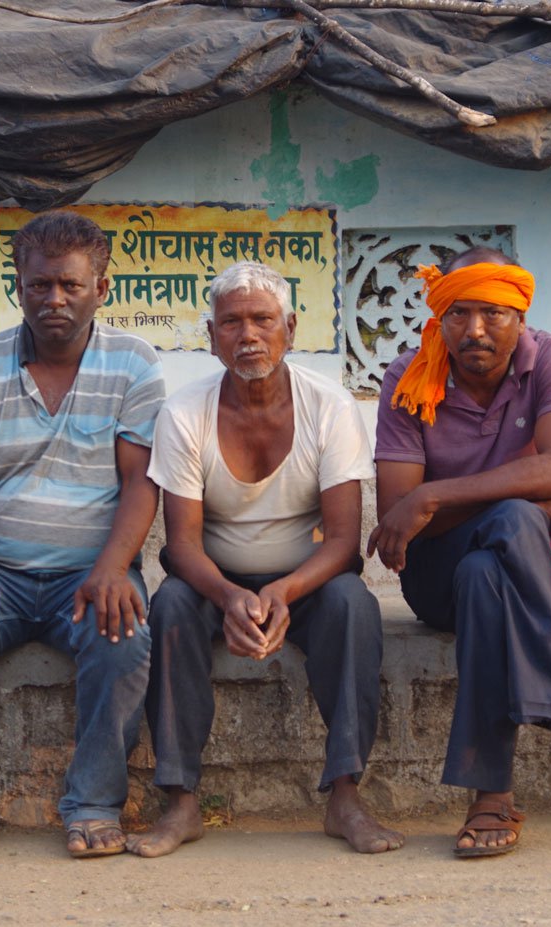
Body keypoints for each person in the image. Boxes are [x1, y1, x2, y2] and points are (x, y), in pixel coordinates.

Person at [369, 246, 551, 858]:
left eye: (493, 314)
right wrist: (521, 488)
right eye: (460, 314)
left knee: (485, 577)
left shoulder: (550, 357)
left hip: (488, 570)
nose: (475, 330)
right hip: (431, 572)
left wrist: (436, 494)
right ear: (439, 318)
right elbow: (401, 513)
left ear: (521, 317)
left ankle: (490, 795)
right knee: (519, 517)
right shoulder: (408, 374)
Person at [0, 210, 165, 860]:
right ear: (16, 284)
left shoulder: (134, 365)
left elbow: (141, 483)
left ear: (101, 289)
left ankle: (94, 802)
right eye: (40, 284)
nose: (54, 299)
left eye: (71, 286)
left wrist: (113, 567)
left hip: (91, 572)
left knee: (126, 638)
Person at [128, 261, 403, 858]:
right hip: (212, 583)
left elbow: (341, 542)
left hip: (305, 579)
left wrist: (283, 592)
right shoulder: (184, 413)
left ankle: (346, 795)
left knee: (354, 603)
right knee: (170, 604)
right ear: (211, 337)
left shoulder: (329, 407)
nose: (248, 335)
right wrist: (229, 596)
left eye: (262, 320)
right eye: (231, 323)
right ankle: (180, 801)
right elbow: (181, 545)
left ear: (290, 327)